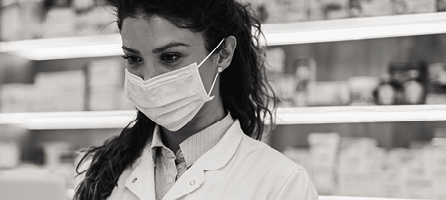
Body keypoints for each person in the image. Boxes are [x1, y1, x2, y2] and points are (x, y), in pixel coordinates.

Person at [74, 0, 319, 199]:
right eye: (134, 59)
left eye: (170, 57)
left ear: (223, 54)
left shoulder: (282, 184)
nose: (149, 78)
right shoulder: (101, 169)